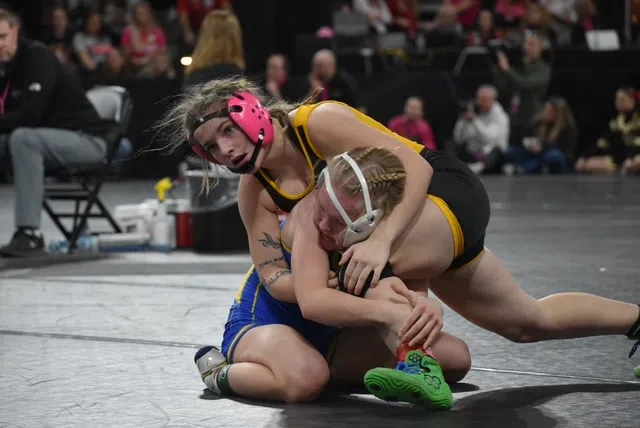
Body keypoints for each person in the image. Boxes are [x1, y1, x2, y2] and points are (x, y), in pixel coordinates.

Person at [194, 148, 471, 409]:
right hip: (264, 324)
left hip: (330, 337)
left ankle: (318, 369)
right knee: (306, 379)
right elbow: (313, 302)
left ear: (371, 221)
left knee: (455, 358)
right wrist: (388, 313)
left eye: (339, 221)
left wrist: (422, 308)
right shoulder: (308, 216)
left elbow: (401, 288)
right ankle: (219, 374)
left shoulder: (388, 235)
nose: (324, 223)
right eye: (323, 207)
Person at [0, 8, 113, 257]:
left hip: (87, 140)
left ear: (16, 31)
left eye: (2, 36)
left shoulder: (37, 57)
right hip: (48, 141)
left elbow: (30, 117)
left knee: (22, 138)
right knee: (17, 139)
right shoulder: (5, 68)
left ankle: (29, 233)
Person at [575, 87, 640, 175]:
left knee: (633, 164)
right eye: (617, 100)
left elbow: (636, 145)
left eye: (622, 99)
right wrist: (584, 157)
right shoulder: (616, 122)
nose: (618, 103)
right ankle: (619, 170)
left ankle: (627, 169)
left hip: (635, 157)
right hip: (619, 160)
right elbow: (602, 143)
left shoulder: (637, 120)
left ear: (632, 101)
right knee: (582, 165)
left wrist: (631, 158)